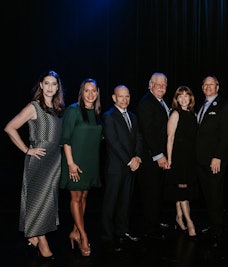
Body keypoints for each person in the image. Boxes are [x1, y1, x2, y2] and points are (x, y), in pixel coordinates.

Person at [4, 70, 65, 259]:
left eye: (54, 84)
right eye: (46, 83)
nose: (50, 87)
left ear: (57, 87)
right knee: (38, 201)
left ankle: (34, 234)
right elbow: (10, 127)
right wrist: (26, 150)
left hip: (55, 160)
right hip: (39, 159)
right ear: (41, 85)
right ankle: (41, 240)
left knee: (48, 201)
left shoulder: (58, 109)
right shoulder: (34, 107)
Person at [59, 78, 103, 257]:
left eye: (93, 90)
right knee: (76, 197)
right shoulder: (73, 110)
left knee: (84, 196)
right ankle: (83, 236)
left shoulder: (97, 112)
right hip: (74, 161)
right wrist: (70, 164)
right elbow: (66, 139)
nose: (90, 94)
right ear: (81, 92)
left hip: (90, 161)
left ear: (98, 92)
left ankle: (75, 232)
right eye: (87, 90)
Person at [101, 85, 143, 252]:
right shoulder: (108, 116)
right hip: (116, 167)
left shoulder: (133, 116)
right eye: (121, 96)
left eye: (127, 96)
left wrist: (138, 157)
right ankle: (107, 237)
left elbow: (138, 138)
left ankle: (123, 232)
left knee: (125, 202)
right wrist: (129, 161)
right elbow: (113, 142)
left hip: (131, 167)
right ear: (114, 97)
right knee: (110, 203)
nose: (124, 99)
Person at [195, 75, 228, 247]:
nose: (208, 87)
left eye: (212, 84)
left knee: (215, 193)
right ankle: (211, 224)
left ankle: (217, 227)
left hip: (215, 160)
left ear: (217, 87)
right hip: (201, 159)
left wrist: (217, 157)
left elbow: (226, 135)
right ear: (202, 87)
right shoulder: (200, 105)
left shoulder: (224, 106)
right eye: (205, 85)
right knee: (207, 193)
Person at [135, 72, 170, 240]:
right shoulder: (146, 103)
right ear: (150, 85)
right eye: (158, 84)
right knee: (150, 192)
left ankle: (155, 221)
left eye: (164, 84)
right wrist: (159, 155)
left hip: (160, 155)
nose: (162, 87)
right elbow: (148, 132)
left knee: (157, 191)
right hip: (151, 157)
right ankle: (149, 227)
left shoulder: (161, 102)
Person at [165, 86, 198, 239]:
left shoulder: (193, 114)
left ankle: (179, 216)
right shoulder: (175, 114)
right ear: (176, 99)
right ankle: (190, 222)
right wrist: (170, 159)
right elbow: (170, 138)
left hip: (190, 155)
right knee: (182, 187)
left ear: (190, 98)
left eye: (187, 96)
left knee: (182, 187)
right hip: (178, 155)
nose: (184, 98)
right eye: (181, 96)